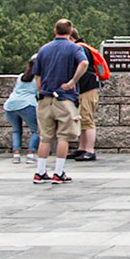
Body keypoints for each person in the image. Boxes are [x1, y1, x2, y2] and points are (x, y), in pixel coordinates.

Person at [31, 19, 88, 185]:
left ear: (55, 30)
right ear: (70, 32)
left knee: (45, 137)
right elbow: (84, 63)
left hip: (45, 98)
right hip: (64, 98)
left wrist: (42, 90)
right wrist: (72, 81)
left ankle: (40, 172)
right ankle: (58, 172)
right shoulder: (74, 48)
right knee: (63, 136)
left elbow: (37, 75)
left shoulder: (44, 49)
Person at [70, 31, 110, 162]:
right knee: (81, 119)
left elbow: (83, 67)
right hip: (85, 87)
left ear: (71, 38)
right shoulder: (83, 47)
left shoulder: (79, 48)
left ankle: (89, 150)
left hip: (87, 88)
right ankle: (82, 148)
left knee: (87, 119)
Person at [2, 58, 39, 163]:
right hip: (27, 104)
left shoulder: (21, 77)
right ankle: (30, 154)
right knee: (36, 130)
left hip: (10, 105)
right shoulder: (37, 78)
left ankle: (16, 155)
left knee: (16, 130)